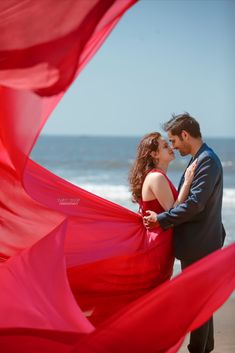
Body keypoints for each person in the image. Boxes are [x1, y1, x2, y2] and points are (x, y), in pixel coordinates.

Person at [143, 113, 226, 353]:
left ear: (185, 135)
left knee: (196, 301)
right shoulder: (198, 159)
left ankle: (198, 349)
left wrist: (160, 220)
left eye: (174, 141)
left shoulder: (206, 160)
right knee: (201, 299)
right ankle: (205, 347)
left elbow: (195, 205)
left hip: (200, 243)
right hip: (201, 241)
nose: (174, 146)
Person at [129, 131, 197, 245]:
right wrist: (187, 182)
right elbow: (174, 213)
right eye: (165, 146)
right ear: (154, 154)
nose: (171, 148)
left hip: (160, 241)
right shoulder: (156, 177)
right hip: (158, 243)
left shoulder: (157, 176)